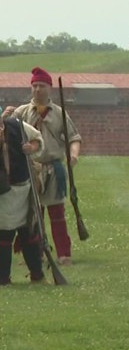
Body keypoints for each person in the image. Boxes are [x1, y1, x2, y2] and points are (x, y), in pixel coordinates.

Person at [2, 67, 83, 267]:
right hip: (31, 170)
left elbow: (74, 137)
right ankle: (35, 254)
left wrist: (73, 155)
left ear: (49, 88)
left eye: (42, 86)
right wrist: (4, 117)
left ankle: (63, 254)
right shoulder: (21, 112)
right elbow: (5, 134)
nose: (38, 89)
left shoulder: (59, 113)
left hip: (53, 169)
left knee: (57, 214)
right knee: (32, 215)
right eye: (35, 86)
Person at [0, 115, 46, 285]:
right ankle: (3, 279)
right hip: (4, 195)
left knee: (29, 233)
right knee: (4, 236)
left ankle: (37, 275)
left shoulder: (16, 125)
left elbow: (37, 139)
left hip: (25, 190)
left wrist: (31, 147)